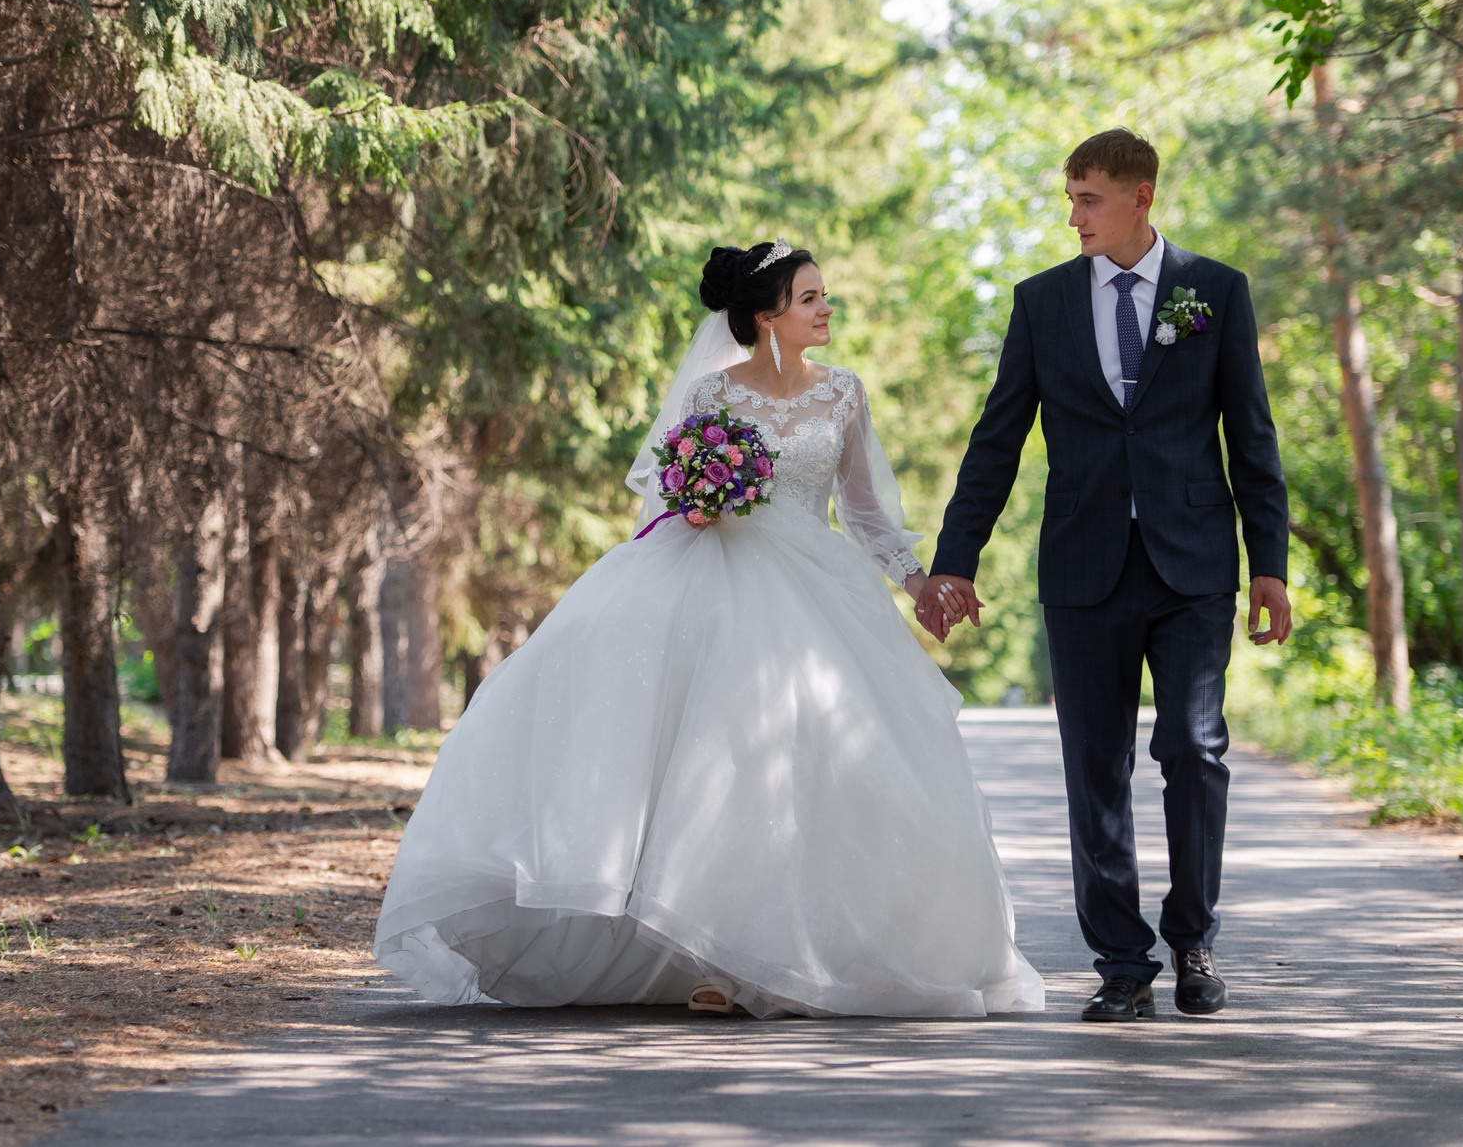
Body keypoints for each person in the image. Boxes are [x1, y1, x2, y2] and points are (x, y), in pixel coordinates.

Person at [373, 240, 1043, 1019]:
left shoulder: (843, 394)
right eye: (809, 297)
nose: (826, 308)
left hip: (816, 593)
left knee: (813, 764)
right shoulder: (712, 395)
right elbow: (669, 494)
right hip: (718, 584)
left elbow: (864, 514)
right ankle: (717, 958)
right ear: (766, 315)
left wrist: (919, 581)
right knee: (720, 765)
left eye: (824, 295)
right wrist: (696, 500)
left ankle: (801, 951)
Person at [918, 128, 1292, 1023]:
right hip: (1083, 565)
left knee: (1194, 749)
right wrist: (955, 561)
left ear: (1141, 197)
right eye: (1071, 199)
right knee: (1095, 766)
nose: (1075, 216)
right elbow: (997, 439)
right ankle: (1123, 961)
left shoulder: (1214, 290)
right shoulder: (1041, 301)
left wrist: (1269, 566)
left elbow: (1251, 435)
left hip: (1192, 563)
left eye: (1089, 199)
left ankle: (1193, 940)